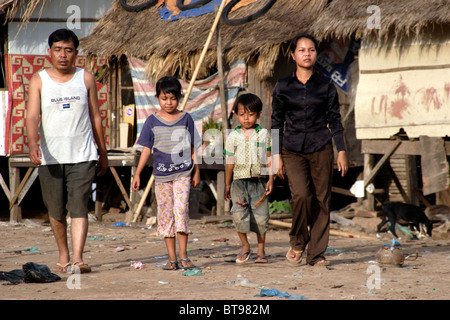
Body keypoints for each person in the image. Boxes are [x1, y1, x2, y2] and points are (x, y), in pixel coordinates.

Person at [26, 29, 108, 273]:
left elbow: (95, 115)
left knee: (80, 205)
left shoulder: (86, 78)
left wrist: (102, 151)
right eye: (58, 50)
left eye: (68, 50)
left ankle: (78, 258)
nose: (63, 55)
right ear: (49, 52)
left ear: (76, 53)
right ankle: (64, 254)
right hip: (50, 156)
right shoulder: (39, 80)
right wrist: (32, 144)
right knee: (55, 210)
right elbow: (31, 116)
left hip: (83, 154)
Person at [271, 33, 348, 267]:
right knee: (301, 196)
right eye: (302, 50)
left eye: (311, 50)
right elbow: (276, 122)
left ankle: (316, 254)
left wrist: (342, 150)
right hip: (292, 149)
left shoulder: (325, 85)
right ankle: (298, 241)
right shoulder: (283, 86)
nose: (307, 54)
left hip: (321, 147)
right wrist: (276, 155)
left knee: (322, 200)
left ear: (316, 54)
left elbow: (335, 119)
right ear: (293, 55)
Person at [132, 76, 201, 270]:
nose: (168, 102)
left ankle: (184, 255)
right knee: (165, 216)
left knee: (181, 211)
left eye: (172, 98)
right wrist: (137, 174)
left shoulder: (186, 118)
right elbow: (146, 149)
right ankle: (172, 259)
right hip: (161, 177)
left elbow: (193, 148)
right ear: (157, 98)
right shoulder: (151, 122)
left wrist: (197, 171)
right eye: (164, 98)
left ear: (179, 98)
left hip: (183, 173)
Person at [224, 93, 273, 263]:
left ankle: (261, 250)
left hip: (259, 182)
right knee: (238, 215)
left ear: (259, 114)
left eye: (250, 114)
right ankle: (245, 246)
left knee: (261, 216)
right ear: (236, 115)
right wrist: (227, 184)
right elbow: (229, 161)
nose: (246, 118)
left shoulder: (264, 134)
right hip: (238, 183)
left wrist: (271, 178)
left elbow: (269, 157)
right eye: (242, 115)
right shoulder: (232, 137)